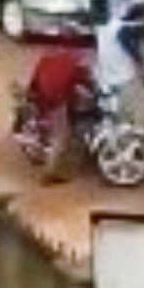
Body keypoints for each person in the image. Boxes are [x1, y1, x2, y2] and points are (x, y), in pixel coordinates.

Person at [26, 44, 93, 184]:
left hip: (40, 97)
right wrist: (93, 88)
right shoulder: (75, 63)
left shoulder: (48, 56)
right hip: (54, 102)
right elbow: (86, 80)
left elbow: (35, 78)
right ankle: (49, 175)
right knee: (61, 138)